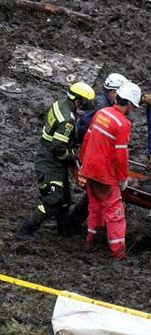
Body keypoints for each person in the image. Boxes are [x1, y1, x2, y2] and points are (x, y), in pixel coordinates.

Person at [21, 82, 95, 235]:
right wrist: (73, 158)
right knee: (53, 201)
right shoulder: (67, 121)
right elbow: (58, 148)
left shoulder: (59, 105)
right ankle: (28, 228)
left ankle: (64, 229)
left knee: (65, 200)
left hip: (52, 159)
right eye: (86, 101)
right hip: (50, 163)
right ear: (78, 99)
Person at [79, 82, 140, 259]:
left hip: (90, 169)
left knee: (95, 206)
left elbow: (88, 138)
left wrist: (83, 162)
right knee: (115, 211)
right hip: (105, 174)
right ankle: (118, 251)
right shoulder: (122, 124)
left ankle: (91, 240)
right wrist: (123, 178)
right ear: (129, 104)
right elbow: (121, 156)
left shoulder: (102, 113)